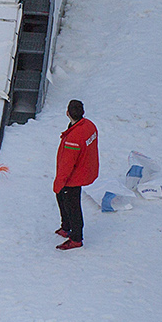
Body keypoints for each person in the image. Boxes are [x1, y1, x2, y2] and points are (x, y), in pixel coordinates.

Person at [53, 98, 99, 251]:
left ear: (67, 113)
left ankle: (76, 238)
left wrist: (59, 182)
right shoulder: (89, 126)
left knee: (72, 205)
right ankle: (66, 226)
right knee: (62, 197)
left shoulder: (73, 138)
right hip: (84, 169)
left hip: (74, 176)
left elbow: (67, 164)